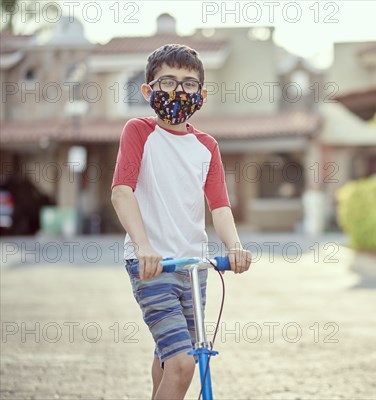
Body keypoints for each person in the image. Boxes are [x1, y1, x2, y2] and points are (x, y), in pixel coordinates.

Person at [111, 43, 251, 400]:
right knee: (183, 363)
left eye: (189, 84)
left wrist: (234, 247)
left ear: (201, 94)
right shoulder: (139, 131)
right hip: (152, 265)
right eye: (168, 81)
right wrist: (144, 247)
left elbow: (219, 206)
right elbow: (121, 193)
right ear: (148, 90)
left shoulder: (207, 146)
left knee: (169, 354)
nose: (178, 91)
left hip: (193, 266)